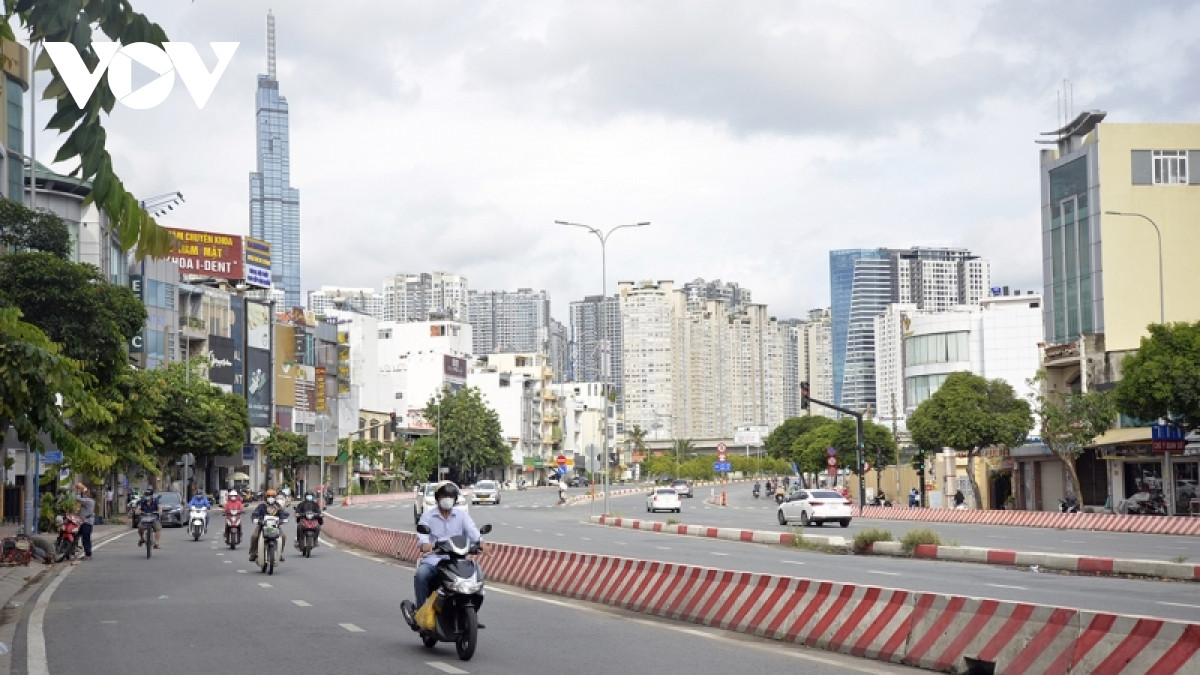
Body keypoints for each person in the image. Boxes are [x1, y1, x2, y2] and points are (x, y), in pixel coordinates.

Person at [411, 483, 486, 611]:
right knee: (421, 575)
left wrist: (481, 542)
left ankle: (471, 611)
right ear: (438, 497)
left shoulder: (462, 516)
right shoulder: (428, 516)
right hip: (434, 560)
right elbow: (422, 536)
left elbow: (473, 532)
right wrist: (425, 544)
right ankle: (421, 612)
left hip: (458, 561)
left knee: (477, 576)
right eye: (444, 495)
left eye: (451, 496)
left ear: (455, 499)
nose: (447, 499)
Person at [248, 489, 288, 563]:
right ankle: (253, 553)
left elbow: (283, 514)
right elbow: (255, 513)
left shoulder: (278, 506)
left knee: (283, 536)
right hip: (263, 526)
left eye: (272, 496)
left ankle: (280, 553)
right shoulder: (262, 506)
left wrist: (283, 519)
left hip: (275, 527)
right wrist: (255, 519)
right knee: (255, 536)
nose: (270, 498)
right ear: (266, 497)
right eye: (269, 496)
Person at [74, 483, 96, 560]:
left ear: (90, 495)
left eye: (88, 493)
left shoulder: (89, 501)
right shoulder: (88, 501)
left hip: (86, 522)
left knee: (85, 538)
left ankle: (88, 554)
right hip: (83, 522)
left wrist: (80, 491)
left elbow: (78, 498)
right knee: (76, 535)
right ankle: (73, 550)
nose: (87, 494)